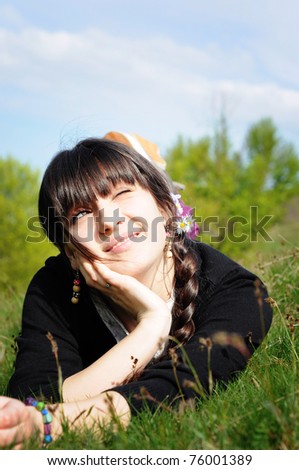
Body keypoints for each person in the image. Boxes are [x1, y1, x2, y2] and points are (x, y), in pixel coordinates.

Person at [0, 135, 272, 449]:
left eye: (123, 193)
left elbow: (183, 385)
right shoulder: (52, 290)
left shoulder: (235, 290)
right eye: (80, 215)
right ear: (70, 252)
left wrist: (52, 423)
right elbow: (32, 397)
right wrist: (151, 327)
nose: (108, 220)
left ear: (166, 208)